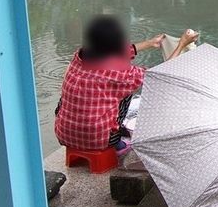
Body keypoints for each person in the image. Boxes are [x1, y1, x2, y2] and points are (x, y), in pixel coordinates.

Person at [54, 15, 199, 155]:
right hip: (99, 140)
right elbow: (158, 76)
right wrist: (182, 44)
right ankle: (116, 141)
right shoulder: (120, 73)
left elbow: (113, 52)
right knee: (126, 93)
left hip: (63, 134)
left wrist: (149, 43)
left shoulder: (78, 57)